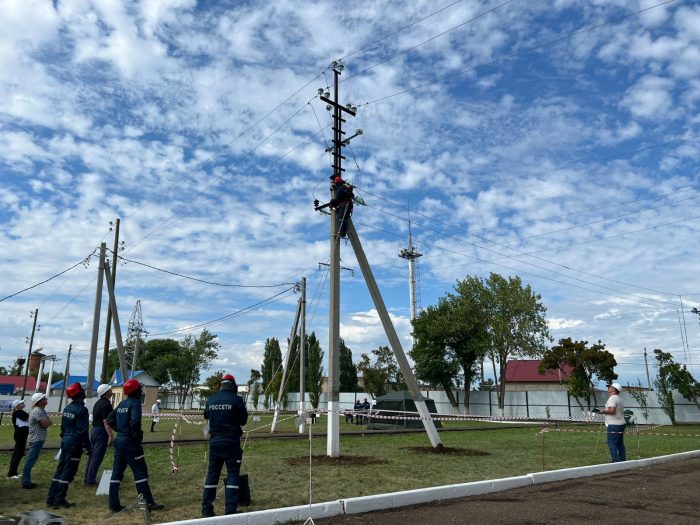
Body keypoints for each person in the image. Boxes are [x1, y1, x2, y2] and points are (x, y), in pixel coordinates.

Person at [107, 379, 164, 513]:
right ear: (136, 391)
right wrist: (134, 435)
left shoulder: (122, 403)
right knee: (140, 472)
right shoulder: (135, 403)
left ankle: (113, 504)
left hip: (120, 441)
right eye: (140, 388)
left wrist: (120, 430)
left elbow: (110, 419)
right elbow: (135, 422)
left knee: (117, 473)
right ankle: (148, 503)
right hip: (130, 443)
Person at [201, 374, 248, 518]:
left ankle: (207, 510)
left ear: (221, 386)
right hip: (231, 442)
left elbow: (206, 415)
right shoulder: (237, 399)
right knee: (233, 474)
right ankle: (230, 510)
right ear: (234, 387)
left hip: (215, 442)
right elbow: (243, 420)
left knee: (212, 475)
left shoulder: (211, 399)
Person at [46, 382, 91, 509]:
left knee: (60, 470)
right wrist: (89, 448)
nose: (84, 392)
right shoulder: (82, 410)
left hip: (65, 441)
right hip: (74, 444)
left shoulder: (67, 408)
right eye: (82, 390)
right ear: (79, 393)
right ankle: (59, 499)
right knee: (68, 472)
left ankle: (51, 498)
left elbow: (63, 428)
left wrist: (65, 439)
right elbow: (83, 431)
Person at [84, 383, 114, 486]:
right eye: (109, 390)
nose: (111, 391)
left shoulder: (98, 403)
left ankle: (87, 477)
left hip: (94, 430)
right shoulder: (106, 404)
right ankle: (90, 480)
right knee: (97, 457)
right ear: (106, 393)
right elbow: (106, 422)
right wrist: (110, 436)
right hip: (101, 431)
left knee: (92, 455)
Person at [22, 392, 52, 489]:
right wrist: (48, 422)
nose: (46, 399)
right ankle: (25, 481)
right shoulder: (37, 411)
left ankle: (26, 480)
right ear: (39, 401)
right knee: (30, 461)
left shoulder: (41, 410)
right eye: (44, 398)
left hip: (38, 439)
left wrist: (48, 422)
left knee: (31, 460)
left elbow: (48, 421)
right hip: (36, 439)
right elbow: (45, 424)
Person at [600, 382, 626, 462]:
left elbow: (612, 410)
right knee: (619, 443)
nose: (608, 388)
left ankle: (614, 461)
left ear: (614, 389)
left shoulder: (612, 398)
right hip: (621, 423)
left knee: (611, 442)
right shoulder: (619, 398)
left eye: (610, 387)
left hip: (614, 424)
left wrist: (602, 411)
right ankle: (622, 460)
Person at [7, 399, 29, 479]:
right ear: (17, 406)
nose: (23, 403)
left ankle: (14, 472)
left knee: (19, 453)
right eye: (21, 403)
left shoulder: (20, 412)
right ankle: (11, 474)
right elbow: (26, 417)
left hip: (22, 435)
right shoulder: (17, 413)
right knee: (18, 454)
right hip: (20, 436)